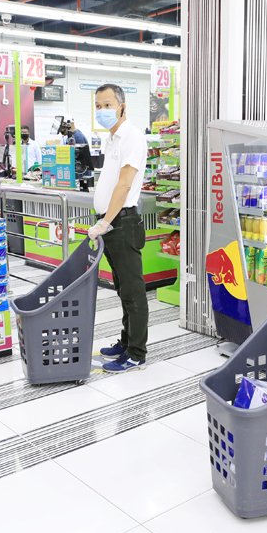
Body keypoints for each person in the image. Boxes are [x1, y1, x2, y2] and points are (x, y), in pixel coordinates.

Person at [87, 84, 149, 373]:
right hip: (112, 223)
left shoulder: (133, 137)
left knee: (133, 292)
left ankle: (136, 352)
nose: (102, 111)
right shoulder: (110, 139)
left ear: (122, 106)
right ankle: (125, 343)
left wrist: (106, 221)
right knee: (123, 288)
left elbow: (124, 186)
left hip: (122, 223)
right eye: (98, 106)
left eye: (107, 105)